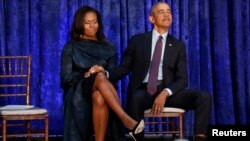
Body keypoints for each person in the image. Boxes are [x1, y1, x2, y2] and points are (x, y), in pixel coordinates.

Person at [90, 2, 211, 141]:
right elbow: (123, 69)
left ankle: (200, 137)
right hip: (145, 91)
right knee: (136, 97)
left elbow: (182, 79)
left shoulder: (178, 46)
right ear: (152, 19)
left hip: (169, 93)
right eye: (161, 12)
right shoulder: (138, 41)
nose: (166, 14)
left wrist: (165, 93)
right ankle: (137, 136)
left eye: (168, 11)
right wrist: (105, 73)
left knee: (204, 97)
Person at [60, 6, 144, 141]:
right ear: (79, 24)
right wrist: (86, 74)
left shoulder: (109, 47)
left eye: (95, 21)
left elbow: (113, 77)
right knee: (98, 76)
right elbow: (65, 78)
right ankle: (125, 119)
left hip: (103, 90)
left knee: (99, 94)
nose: (92, 26)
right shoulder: (71, 47)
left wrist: (103, 71)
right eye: (87, 23)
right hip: (77, 91)